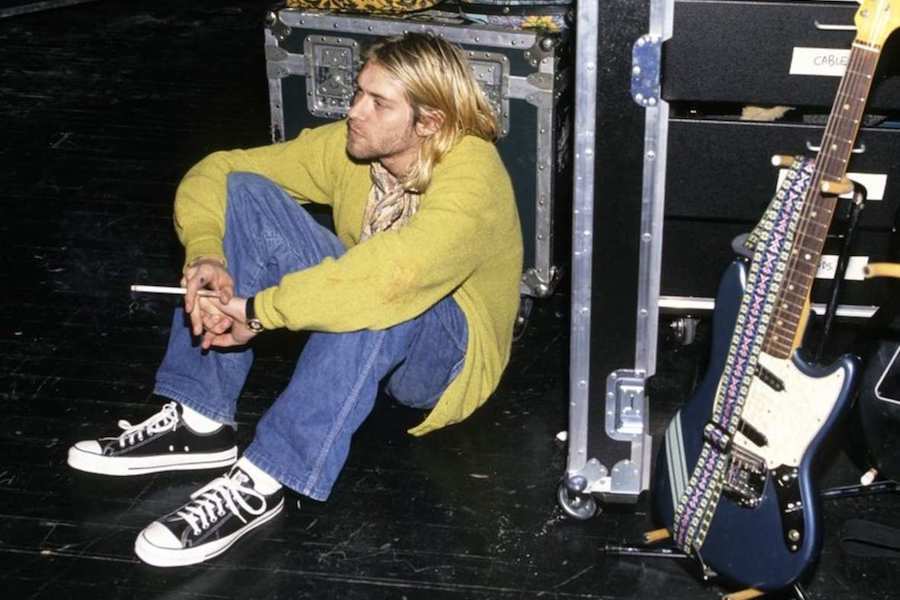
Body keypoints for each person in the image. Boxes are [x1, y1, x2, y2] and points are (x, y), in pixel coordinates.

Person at [66, 32, 522, 567]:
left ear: (429, 123)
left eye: (378, 103)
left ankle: (263, 478)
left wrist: (259, 313)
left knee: (380, 290)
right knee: (246, 193)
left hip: (446, 357)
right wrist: (206, 254)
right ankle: (199, 422)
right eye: (358, 92)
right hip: (379, 298)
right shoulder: (354, 149)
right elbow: (218, 170)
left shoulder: (474, 175)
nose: (353, 111)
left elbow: (394, 277)